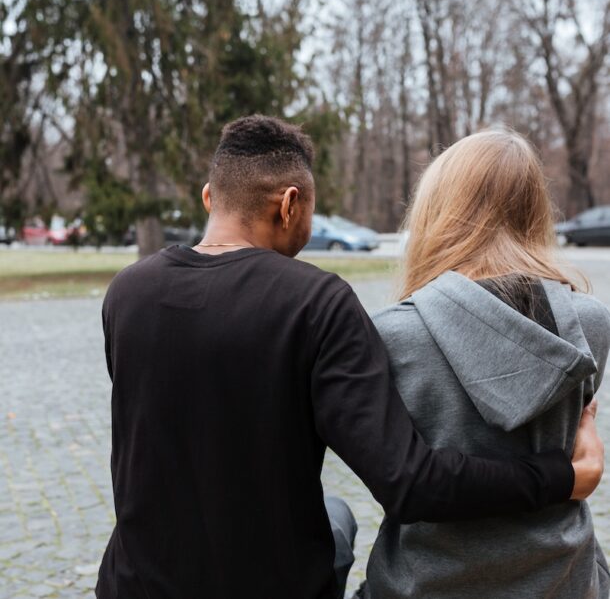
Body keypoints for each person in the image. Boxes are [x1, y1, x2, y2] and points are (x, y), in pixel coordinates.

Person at [95, 116, 604, 599]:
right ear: (289, 204)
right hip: (271, 585)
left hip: (133, 582)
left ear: (210, 198)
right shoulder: (314, 302)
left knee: (336, 513)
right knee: (335, 517)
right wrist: (561, 475)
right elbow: (411, 482)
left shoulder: (125, 293)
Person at [365, 129, 610, 598]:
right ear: (534, 210)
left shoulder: (392, 335)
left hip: (425, 583)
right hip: (563, 580)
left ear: (438, 212)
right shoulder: (591, 325)